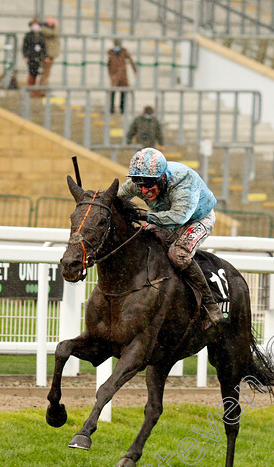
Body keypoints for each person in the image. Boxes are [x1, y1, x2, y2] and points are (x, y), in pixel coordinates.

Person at [118, 148, 223, 329]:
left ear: (162, 177)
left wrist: (143, 215)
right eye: (138, 183)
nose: (143, 190)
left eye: (149, 183)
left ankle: (211, 305)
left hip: (196, 219)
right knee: (142, 240)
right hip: (167, 216)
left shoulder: (183, 181)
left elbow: (177, 219)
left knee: (177, 254)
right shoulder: (140, 182)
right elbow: (116, 198)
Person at [106, 39, 137, 114]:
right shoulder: (111, 52)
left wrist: (135, 70)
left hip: (122, 74)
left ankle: (122, 108)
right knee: (113, 92)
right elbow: (108, 64)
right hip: (115, 74)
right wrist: (110, 73)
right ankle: (112, 109)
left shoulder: (124, 51)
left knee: (123, 92)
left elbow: (131, 60)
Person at [22, 18, 46, 98]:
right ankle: (30, 90)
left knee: (37, 73)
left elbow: (44, 46)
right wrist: (25, 56)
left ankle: (36, 90)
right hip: (31, 56)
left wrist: (45, 56)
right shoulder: (29, 35)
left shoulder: (41, 35)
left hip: (38, 57)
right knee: (32, 73)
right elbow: (24, 47)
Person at [39, 17, 60, 89]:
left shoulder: (49, 28)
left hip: (50, 54)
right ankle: (42, 90)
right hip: (47, 54)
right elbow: (53, 33)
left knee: (47, 73)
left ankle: (43, 88)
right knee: (45, 73)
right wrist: (56, 26)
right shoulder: (44, 29)